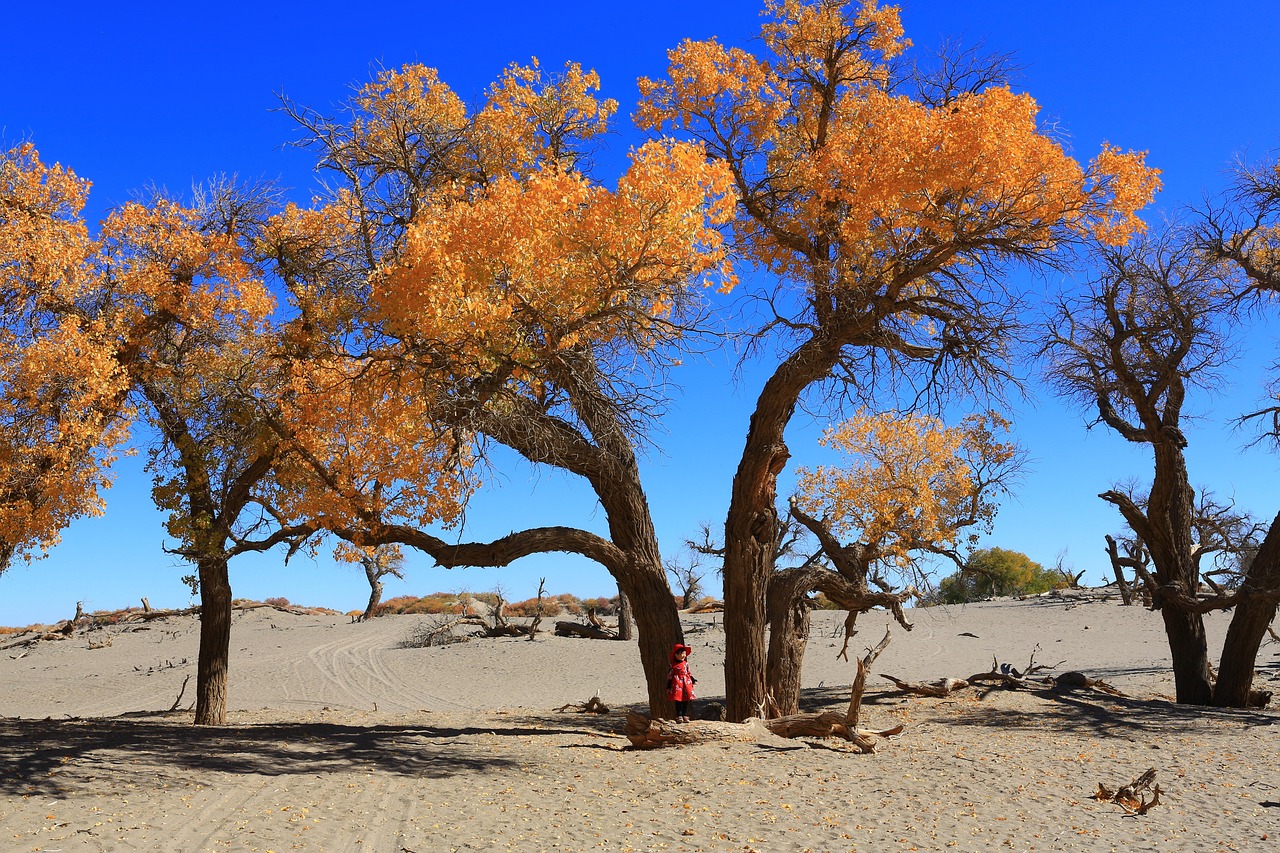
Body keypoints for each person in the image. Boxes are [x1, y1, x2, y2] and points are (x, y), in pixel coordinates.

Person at [666, 642, 696, 722]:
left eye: (684, 653)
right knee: (678, 700)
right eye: (681, 653)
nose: (683, 655)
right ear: (676, 655)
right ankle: (679, 715)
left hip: (686, 683)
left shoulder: (686, 664)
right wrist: (668, 686)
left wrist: (692, 679)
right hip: (677, 684)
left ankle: (685, 715)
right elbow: (670, 676)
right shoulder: (673, 665)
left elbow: (688, 673)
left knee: (686, 700)